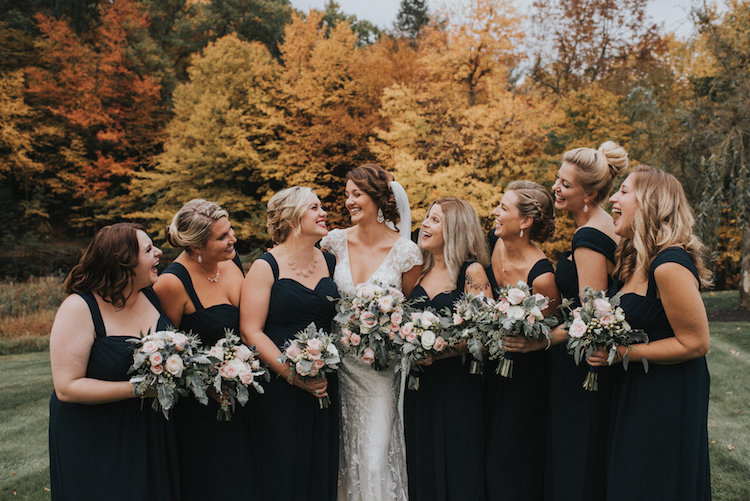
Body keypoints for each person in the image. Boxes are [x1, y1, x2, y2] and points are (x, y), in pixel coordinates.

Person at [588, 165, 711, 500]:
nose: (613, 199)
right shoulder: (631, 259)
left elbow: (696, 343)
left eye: (624, 191)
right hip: (635, 390)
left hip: (666, 396)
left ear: (650, 203)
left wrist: (621, 353)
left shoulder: (669, 264)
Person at [48, 223, 179, 500]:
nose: (158, 252)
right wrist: (139, 389)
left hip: (148, 430)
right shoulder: (79, 307)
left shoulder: (151, 295)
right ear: (124, 263)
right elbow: (67, 387)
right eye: (148, 250)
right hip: (94, 435)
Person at [320, 164, 422, 501]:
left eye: (357, 194)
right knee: (340, 453)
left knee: (375, 458)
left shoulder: (406, 252)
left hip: (380, 370)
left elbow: (407, 312)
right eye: (347, 194)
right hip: (337, 366)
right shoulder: (333, 242)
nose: (349, 201)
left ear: (378, 198)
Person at [240, 186, 339, 501]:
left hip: (325, 380)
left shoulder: (331, 262)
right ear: (293, 218)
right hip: (280, 384)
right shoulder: (265, 266)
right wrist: (293, 376)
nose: (323, 212)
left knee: (321, 466)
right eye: (314, 207)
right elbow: (251, 331)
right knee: (283, 470)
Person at [154, 199, 254, 499]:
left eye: (230, 230)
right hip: (201, 409)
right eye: (222, 236)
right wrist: (207, 384)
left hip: (243, 395)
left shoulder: (231, 262)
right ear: (197, 246)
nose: (233, 238)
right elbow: (169, 352)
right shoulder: (171, 283)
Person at [546, 141, 628, 501]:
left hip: (582, 365)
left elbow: (591, 313)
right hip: (594, 360)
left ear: (589, 194)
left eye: (566, 185)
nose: (556, 188)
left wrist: (542, 339)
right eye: (558, 179)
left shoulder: (589, 237)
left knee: (576, 454)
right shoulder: (606, 223)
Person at [403, 197, 491, 501]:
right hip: (419, 386)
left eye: (435, 219)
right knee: (422, 461)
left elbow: (485, 335)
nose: (425, 224)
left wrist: (441, 350)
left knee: (459, 464)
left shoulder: (472, 272)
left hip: (458, 385)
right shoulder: (420, 271)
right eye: (427, 217)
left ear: (455, 228)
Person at [484, 181, 560, 501]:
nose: (495, 212)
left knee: (511, 455)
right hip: (488, 365)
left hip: (525, 377)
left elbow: (554, 328)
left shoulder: (542, 276)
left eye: (503, 208)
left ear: (525, 221)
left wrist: (534, 343)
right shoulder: (494, 243)